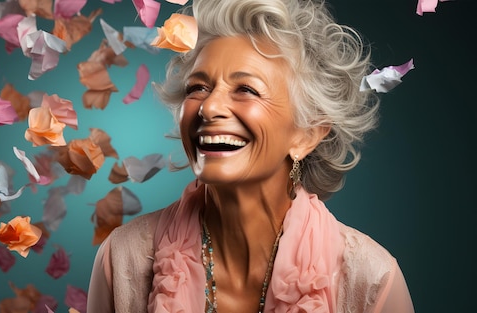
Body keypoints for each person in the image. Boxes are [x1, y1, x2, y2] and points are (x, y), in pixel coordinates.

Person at [87, 0, 415, 312]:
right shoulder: (121, 259)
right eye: (197, 88)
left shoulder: (371, 280)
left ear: (306, 134)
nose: (209, 107)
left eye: (246, 89)